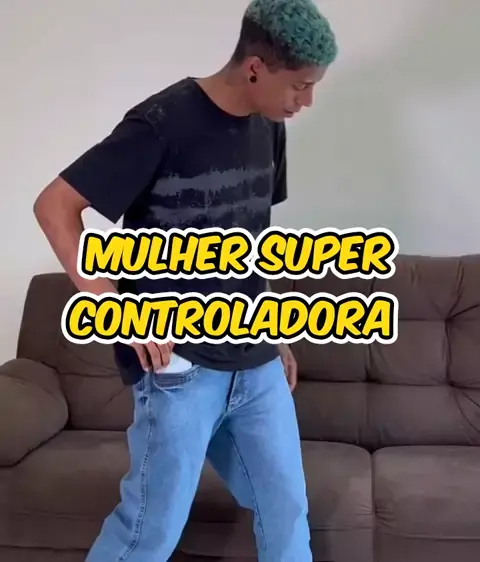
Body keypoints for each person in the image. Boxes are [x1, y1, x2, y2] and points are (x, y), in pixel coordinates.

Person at [33, 0, 337, 560]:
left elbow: (250, 236)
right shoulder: (161, 124)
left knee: (286, 508)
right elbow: (54, 205)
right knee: (149, 532)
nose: (306, 101)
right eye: (300, 86)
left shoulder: (270, 126)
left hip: (256, 360)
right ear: (255, 68)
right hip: (180, 367)